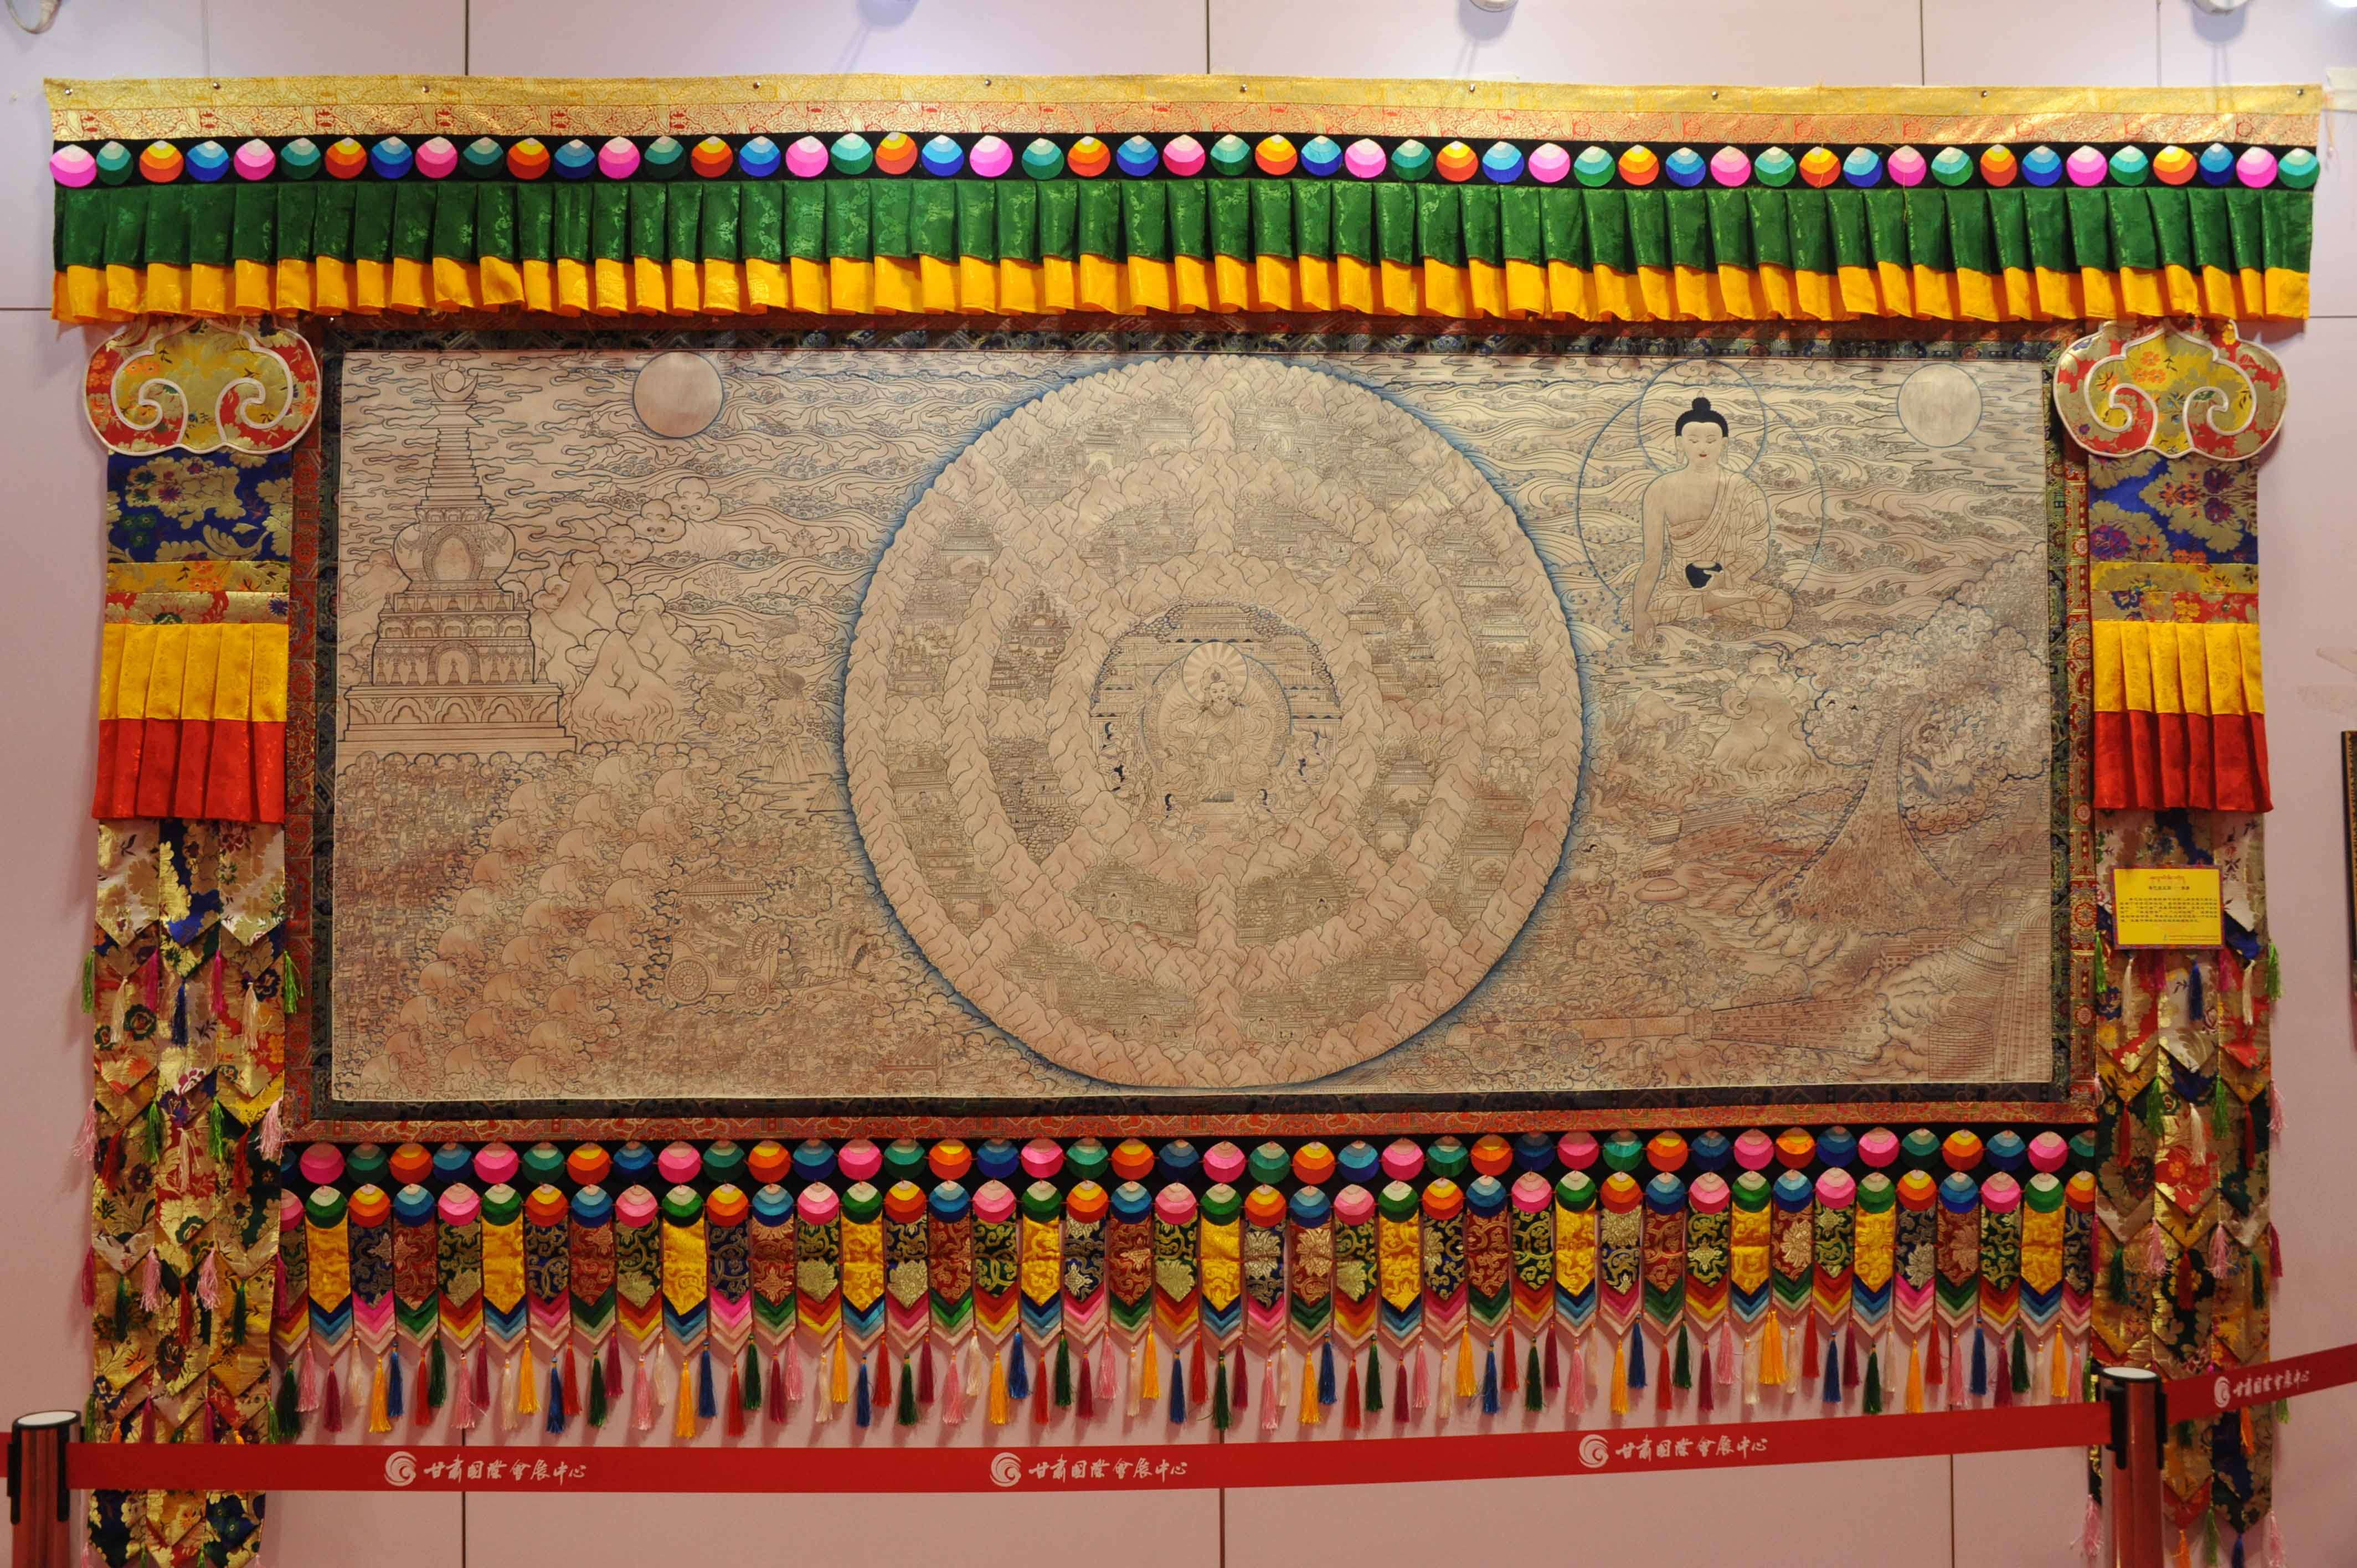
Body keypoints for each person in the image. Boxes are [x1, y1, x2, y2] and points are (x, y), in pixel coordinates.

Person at [1629, 396, 1792, 652]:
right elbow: (1652, 559)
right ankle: (1709, 603)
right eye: (1694, 441)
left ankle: (1707, 603)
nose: (1702, 447)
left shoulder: (1744, 489)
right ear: (1679, 443)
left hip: (1730, 584)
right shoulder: (1660, 489)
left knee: (1781, 607)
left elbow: (1757, 549)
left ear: (1724, 444)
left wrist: (1725, 579)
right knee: (1636, 609)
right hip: (1679, 585)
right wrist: (1640, 612)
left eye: (1711, 440)